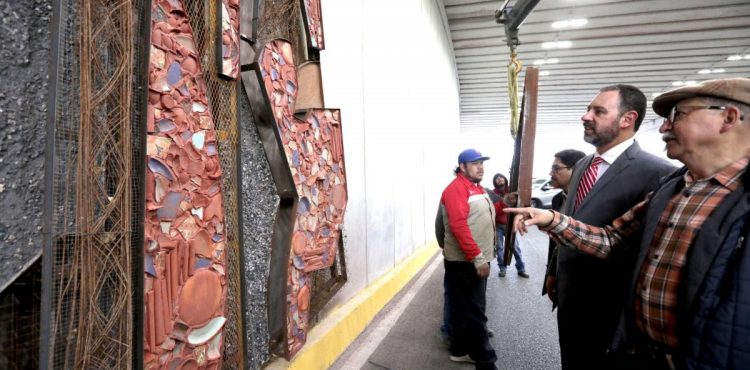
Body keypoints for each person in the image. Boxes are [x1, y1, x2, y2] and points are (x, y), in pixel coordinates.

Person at [508, 77, 750, 370]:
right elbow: (610, 239)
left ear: (729, 118)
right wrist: (552, 220)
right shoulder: (672, 188)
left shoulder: (666, 177)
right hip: (637, 351)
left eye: (678, 115)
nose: (663, 127)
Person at [552, 84, 675, 370]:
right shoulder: (583, 165)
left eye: (598, 111)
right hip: (569, 297)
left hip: (610, 309)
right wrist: (553, 271)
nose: (585, 116)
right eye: (587, 109)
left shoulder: (657, 173)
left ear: (627, 119)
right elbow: (571, 217)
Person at [439, 148, 498, 370]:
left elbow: (484, 215)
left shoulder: (477, 188)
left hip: (476, 258)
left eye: (482, 163)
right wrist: (477, 258)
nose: (481, 166)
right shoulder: (456, 189)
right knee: (475, 312)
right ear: (462, 167)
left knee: (465, 309)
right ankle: (485, 361)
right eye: (475, 163)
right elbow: (458, 225)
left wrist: (502, 206)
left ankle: (459, 350)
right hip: (466, 262)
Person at [542, 149, 585, 306]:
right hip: (561, 275)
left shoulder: (591, 199)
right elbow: (556, 244)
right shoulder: (557, 200)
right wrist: (551, 273)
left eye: (556, 168)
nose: (550, 173)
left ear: (576, 169)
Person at [488, 173, 529, 278]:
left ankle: (521, 269)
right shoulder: (493, 194)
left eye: (501, 177)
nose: (499, 179)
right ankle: (502, 268)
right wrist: (504, 202)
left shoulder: (512, 189)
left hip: (510, 224)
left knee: (515, 247)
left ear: (505, 179)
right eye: (496, 178)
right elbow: (494, 210)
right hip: (498, 225)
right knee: (499, 248)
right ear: (495, 182)